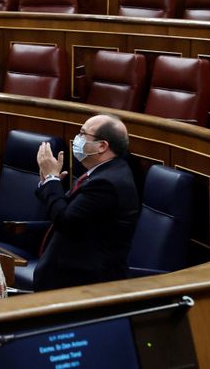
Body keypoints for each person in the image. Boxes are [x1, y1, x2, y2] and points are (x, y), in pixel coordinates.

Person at [34, 113, 141, 291]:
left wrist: (52, 180)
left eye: (83, 134)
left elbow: (66, 221)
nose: (77, 139)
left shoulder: (106, 183)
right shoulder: (104, 173)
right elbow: (65, 211)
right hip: (72, 276)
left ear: (102, 146)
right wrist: (49, 182)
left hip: (83, 283)